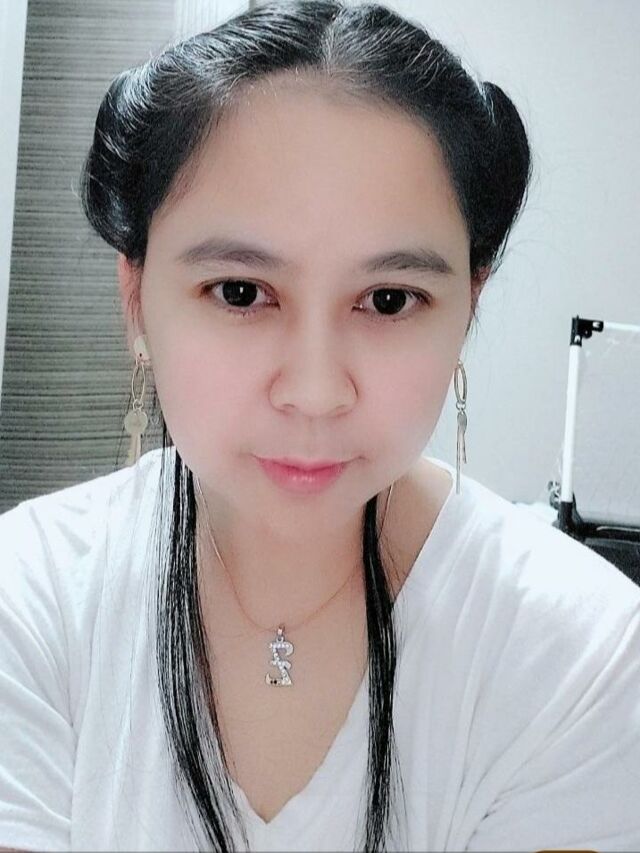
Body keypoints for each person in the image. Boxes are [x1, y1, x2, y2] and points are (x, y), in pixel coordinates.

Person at [1, 1, 640, 851]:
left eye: (389, 299)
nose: (314, 392)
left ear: (469, 304)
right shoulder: (27, 601)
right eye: (240, 292)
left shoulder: (581, 650)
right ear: (136, 296)